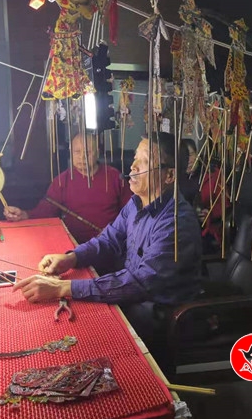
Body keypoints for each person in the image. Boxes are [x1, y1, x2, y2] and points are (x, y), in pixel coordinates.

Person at [13, 132, 203, 350]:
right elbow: (109, 239)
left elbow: (139, 283)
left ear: (169, 175)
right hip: (133, 298)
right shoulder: (137, 202)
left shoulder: (175, 223)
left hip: (160, 314)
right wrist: (71, 258)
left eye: (144, 162)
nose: (132, 167)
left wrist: (62, 288)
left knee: (82, 337)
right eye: (135, 158)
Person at [3, 133, 132, 244]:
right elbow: (46, 211)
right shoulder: (62, 181)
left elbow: (131, 211)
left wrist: (117, 232)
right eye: (77, 152)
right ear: (71, 153)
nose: (82, 157)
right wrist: (23, 214)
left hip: (110, 243)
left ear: (97, 152)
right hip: (75, 245)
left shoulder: (114, 176)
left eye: (87, 152)